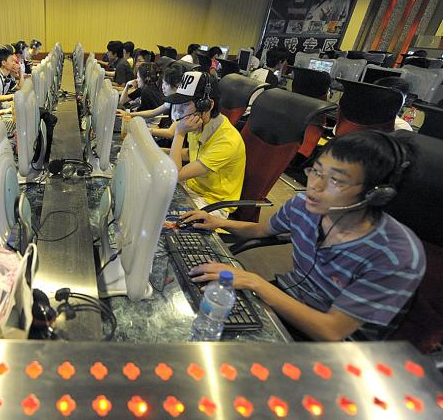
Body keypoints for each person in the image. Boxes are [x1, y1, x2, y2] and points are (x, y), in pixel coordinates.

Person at [181, 131, 425, 341]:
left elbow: (331, 332)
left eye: (336, 181)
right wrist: (217, 222)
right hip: (285, 300)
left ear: (375, 195)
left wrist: (254, 281)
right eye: (316, 171)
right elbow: (261, 230)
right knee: (194, 311)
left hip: (334, 346)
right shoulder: (303, 205)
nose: (315, 186)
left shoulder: (396, 254)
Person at [168, 70, 245, 217]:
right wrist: (156, 151)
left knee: (163, 219)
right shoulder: (199, 123)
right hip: (191, 189)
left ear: (206, 105)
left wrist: (179, 134)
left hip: (212, 204)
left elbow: (175, 175)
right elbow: (191, 153)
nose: (179, 111)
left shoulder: (227, 140)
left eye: (185, 105)